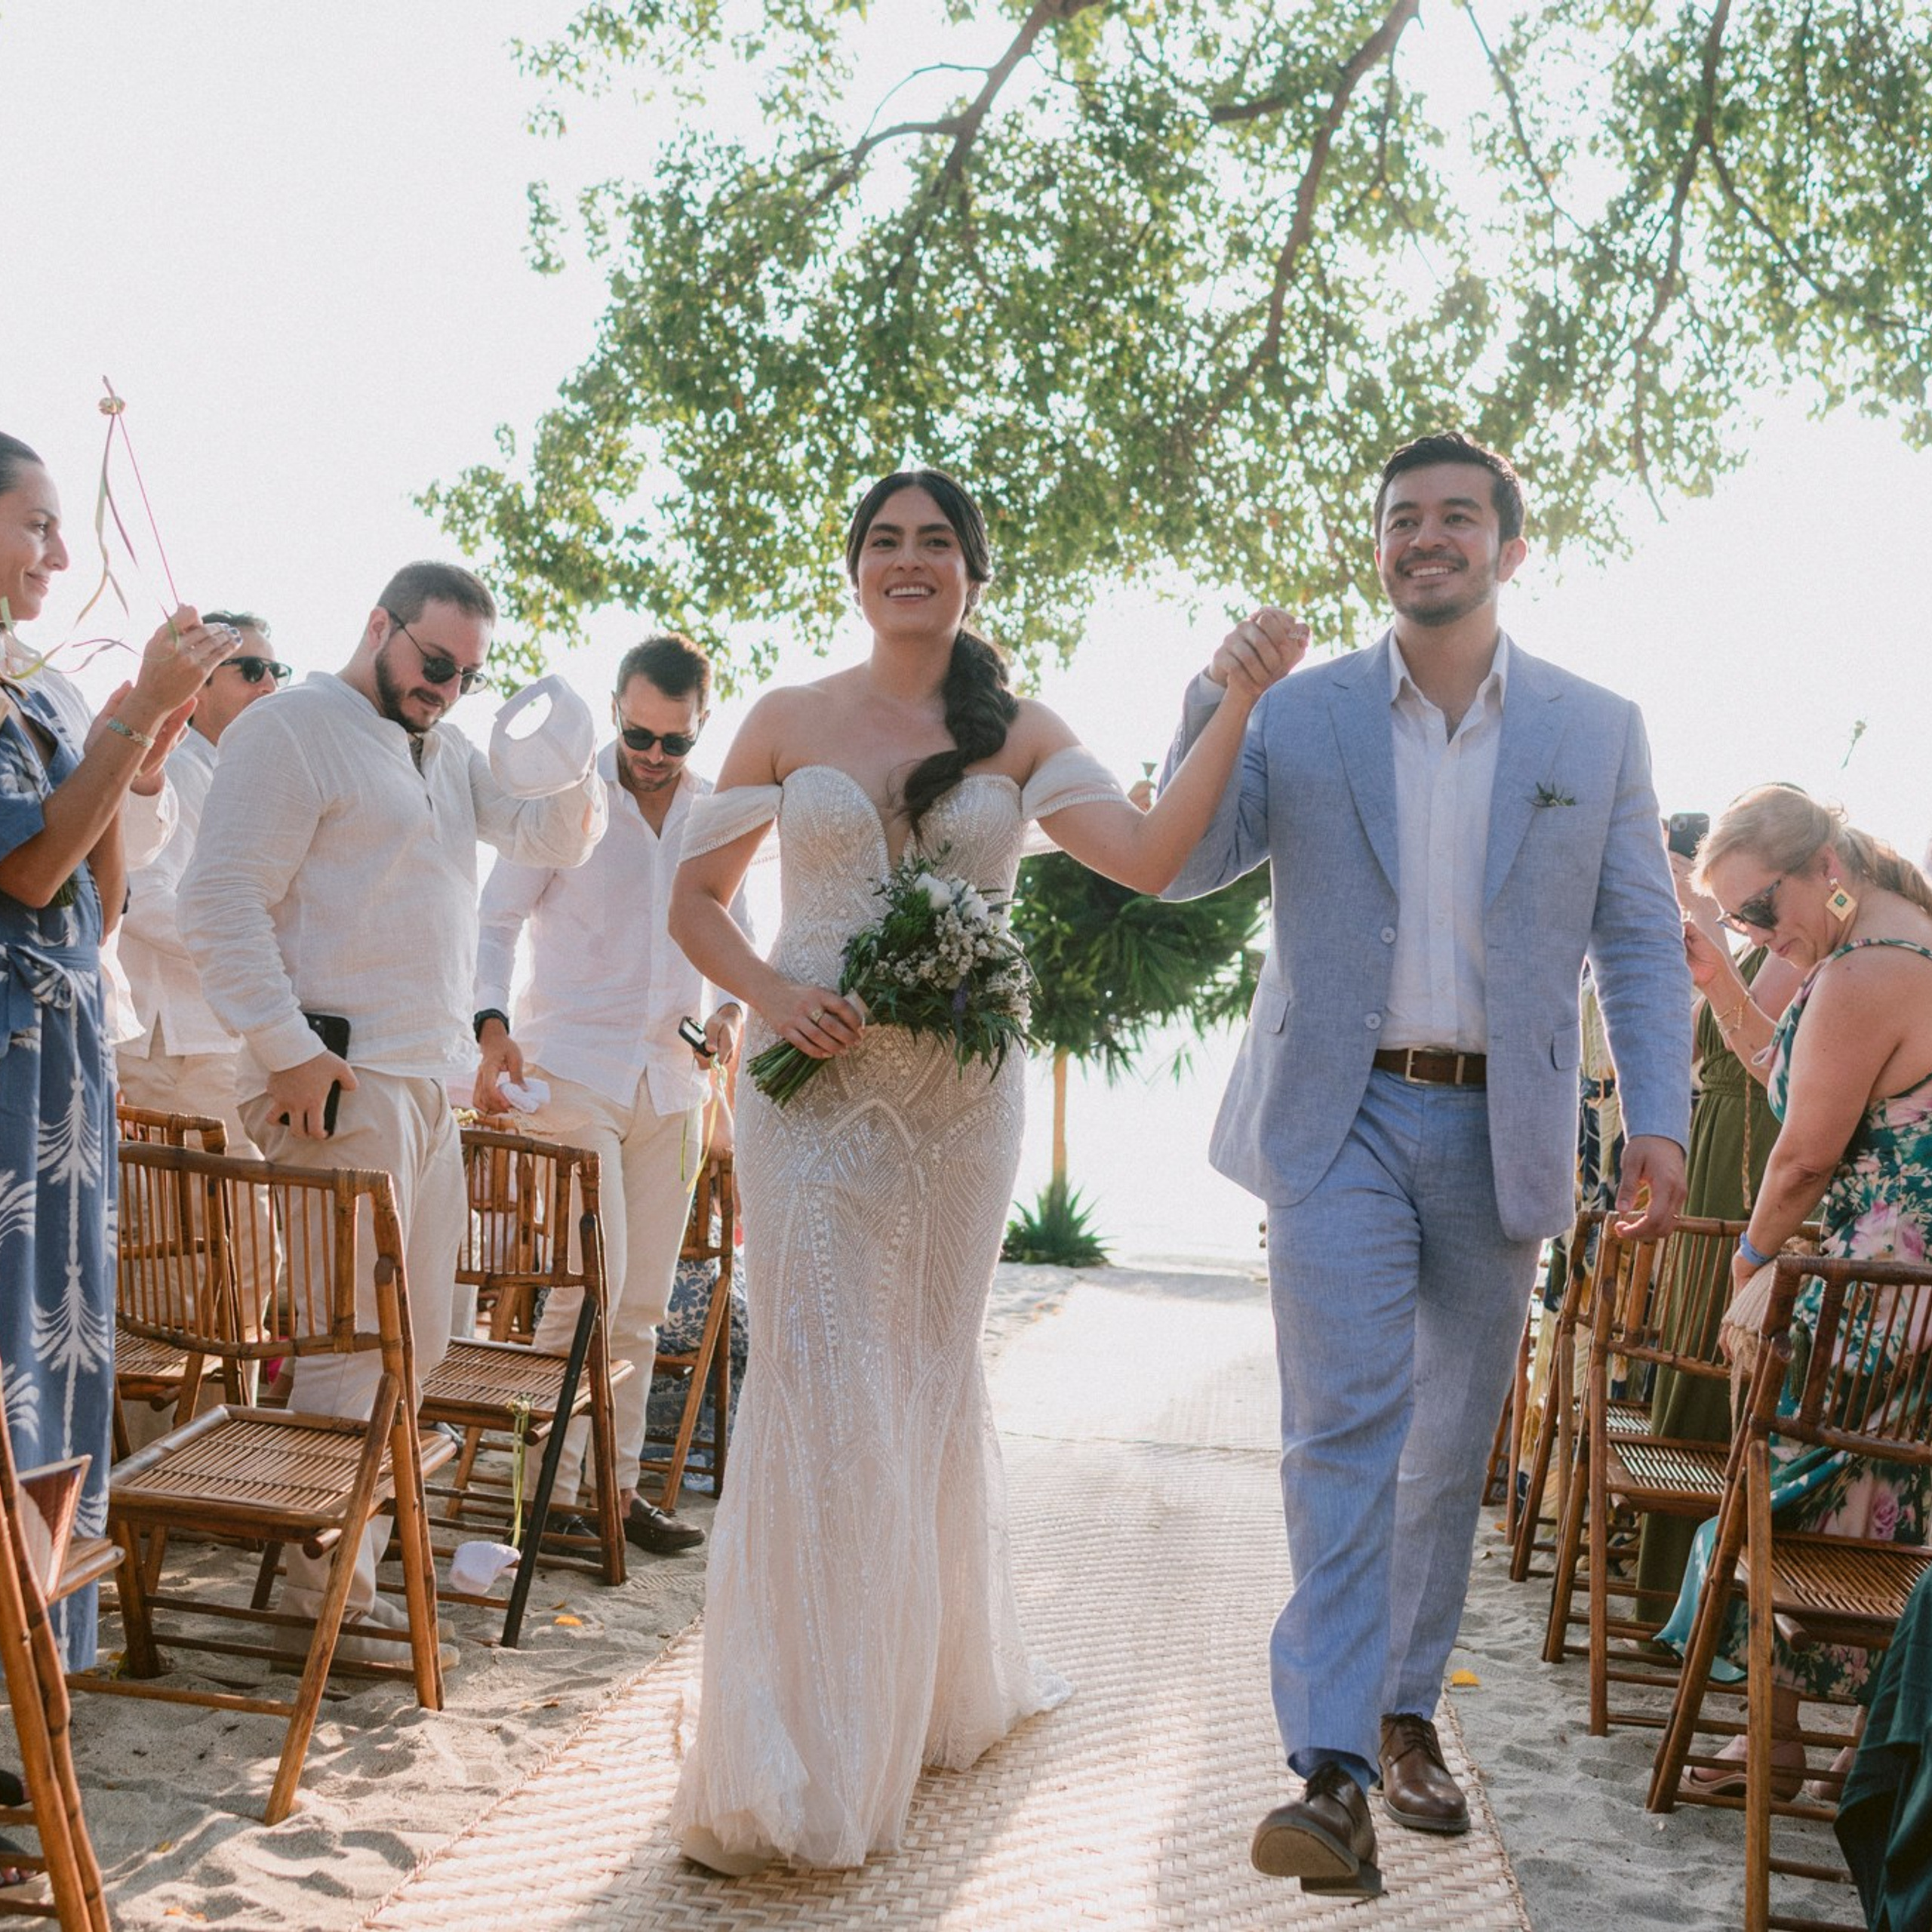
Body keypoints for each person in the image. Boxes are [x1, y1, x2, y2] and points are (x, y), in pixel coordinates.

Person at [664, 466, 1292, 1874]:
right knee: (826, 1380)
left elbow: (1144, 854)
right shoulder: (784, 716)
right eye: (884, 541)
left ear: (973, 572)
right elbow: (693, 903)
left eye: (935, 543)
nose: (908, 561)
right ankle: (801, 1749)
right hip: (808, 1089)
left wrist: (1234, 705)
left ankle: (925, 1689)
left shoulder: (1022, 730)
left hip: (962, 1103)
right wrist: (772, 994)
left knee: (927, 1381)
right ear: (853, 568)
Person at [1159, 430, 1691, 1897]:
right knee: (1341, 1423)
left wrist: (1657, 1113)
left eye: (1456, 516)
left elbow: (1639, 932)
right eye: (1401, 517)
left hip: (1495, 1129)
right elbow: (1188, 851)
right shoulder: (1304, 710)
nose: (1426, 536)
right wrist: (1217, 693)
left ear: (1508, 549)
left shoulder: (1594, 727)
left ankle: (1402, 1710)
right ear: (1377, 545)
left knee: (1445, 1443)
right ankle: (1328, 1765)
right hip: (1333, 1118)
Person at [177, 561, 605, 1643]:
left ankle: (355, 1574)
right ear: (379, 625)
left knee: (421, 1340)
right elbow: (217, 902)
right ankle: (332, 1604)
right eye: (433, 662)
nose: (447, 686)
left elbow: (553, 837)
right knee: (344, 1343)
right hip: (333, 1079)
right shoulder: (289, 731)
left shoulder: (450, 750)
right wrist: (285, 1049)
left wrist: (566, 743)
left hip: (426, 1084)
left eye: (468, 673)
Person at [0, 429, 237, 1666]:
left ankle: (29, 1669)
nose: (60, 549)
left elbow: (102, 902)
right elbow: (29, 869)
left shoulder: (39, 687)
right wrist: (136, 712)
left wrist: (132, 746)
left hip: (63, 1060)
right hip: (3, 1063)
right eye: (35, 522)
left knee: (57, 1354)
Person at [1663, 784, 1932, 1794]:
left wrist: (1750, 1268)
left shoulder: (1869, 973)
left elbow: (1803, 1157)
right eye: (1740, 924)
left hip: (1878, 1295)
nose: (1760, 938)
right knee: (1877, 1507)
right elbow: (1798, 1073)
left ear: (1828, 867)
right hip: (1907, 1301)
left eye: (1763, 913)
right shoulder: (1900, 948)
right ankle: (1857, 1747)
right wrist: (1727, 989)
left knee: (1753, 1502)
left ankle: (1772, 1738)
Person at [473, 633, 747, 1557]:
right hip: (572, 1070)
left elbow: (738, 942)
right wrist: (490, 1022)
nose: (654, 756)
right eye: (640, 733)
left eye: (676, 741)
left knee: (639, 1302)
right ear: (618, 708)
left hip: (670, 1081)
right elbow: (496, 918)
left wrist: (729, 1013)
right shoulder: (564, 797)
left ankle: (614, 1492)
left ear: (701, 728)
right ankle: (547, 1490)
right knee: (584, 1290)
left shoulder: (716, 814)